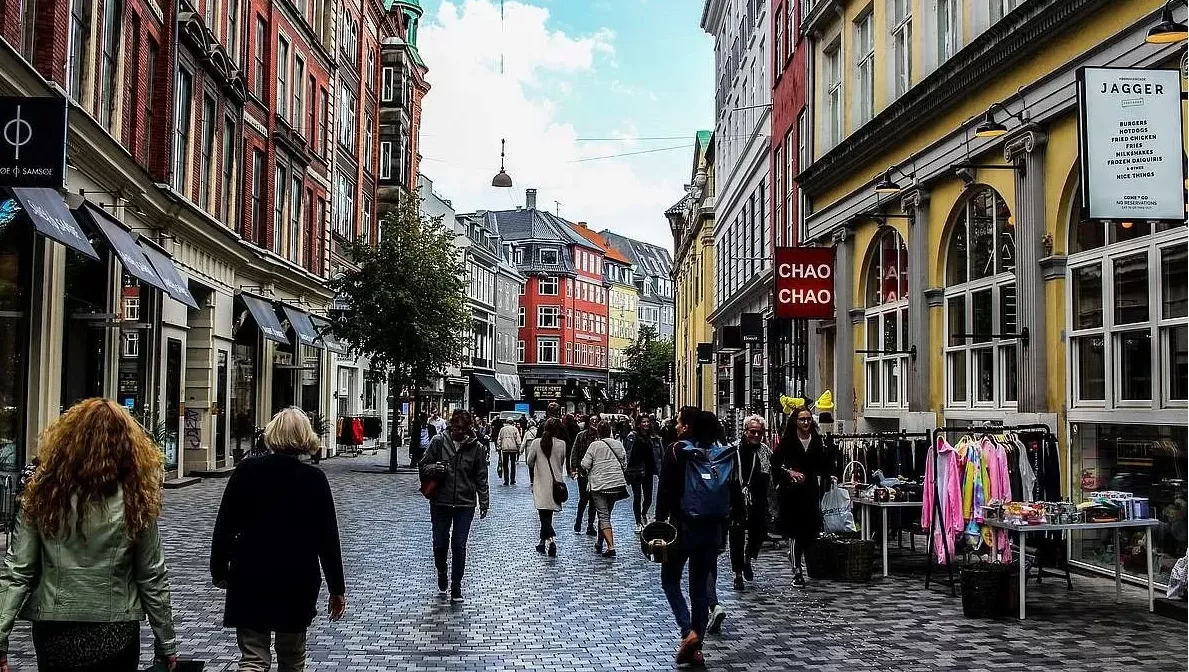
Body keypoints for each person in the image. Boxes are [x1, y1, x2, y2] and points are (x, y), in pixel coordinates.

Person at [0, 398, 177, 672]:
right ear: (127, 445)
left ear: (68, 440)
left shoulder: (42, 494)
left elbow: (17, 571)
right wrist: (166, 643)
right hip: (115, 628)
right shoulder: (136, 500)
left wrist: (1, 638)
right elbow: (152, 576)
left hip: (54, 629)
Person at [211, 407, 346, 672]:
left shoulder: (247, 470)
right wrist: (336, 588)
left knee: (253, 657)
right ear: (306, 438)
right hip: (296, 580)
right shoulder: (314, 479)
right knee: (292, 657)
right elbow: (327, 539)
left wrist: (219, 569)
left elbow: (225, 523)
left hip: (250, 574)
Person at [655, 407, 741, 668]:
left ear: (688, 427)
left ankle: (687, 631)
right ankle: (697, 648)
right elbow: (733, 491)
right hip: (711, 529)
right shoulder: (721, 455)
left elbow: (666, 490)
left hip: (683, 527)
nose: (677, 426)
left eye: (680, 422)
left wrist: (659, 523)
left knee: (670, 581)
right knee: (699, 589)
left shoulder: (676, 451)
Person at [420, 410, 490, 602]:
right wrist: (436, 468)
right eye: (456, 427)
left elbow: (481, 476)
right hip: (441, 501)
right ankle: (441, 569)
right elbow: (423, 465)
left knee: (459, 544)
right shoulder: (439, 442)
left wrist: (484, 501)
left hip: (465, 503)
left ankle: (456, 587)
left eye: (463, 428)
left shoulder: (476, 448)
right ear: (451, 425)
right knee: (440, 543)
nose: (459, 432)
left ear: (469, 428)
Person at [771, 407, 830, 587]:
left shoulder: (817, 441)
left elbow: (823, 463)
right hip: (792, 493)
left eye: (808, 419)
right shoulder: (788, 441)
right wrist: (789, 473)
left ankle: (795, 555)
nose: (805, 423)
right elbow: (776, 463)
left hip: (811, 491)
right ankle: (797, 571)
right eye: (802, 419)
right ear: (795, 421)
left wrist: (829, 475)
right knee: (796, 532)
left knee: (810, 531)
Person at [728, 415, 772, 591]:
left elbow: (774, 468)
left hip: (758, 499)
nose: (756, 435)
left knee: (759, 531)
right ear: (745, 431)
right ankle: (737, 573)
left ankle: (748, 557)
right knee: (736, 535)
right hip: (736, 499)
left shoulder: (765, 451)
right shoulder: (734, 450)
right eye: (752, 432)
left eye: (759, 432)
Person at [581, 422, 628, 557]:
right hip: (615, 484)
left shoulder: (594, 445)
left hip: (599, 485)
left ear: (598, 433)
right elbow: (624, 464)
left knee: (603, 515)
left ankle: (611, 546)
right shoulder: (618, 444)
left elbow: (585, 464)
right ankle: (600, 542)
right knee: (607, 515)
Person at [526, 418, 567, 557]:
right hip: (556, 485)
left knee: (543, 515)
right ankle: (541, 542)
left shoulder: (537, 443)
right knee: (548, 515)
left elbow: (529, 462)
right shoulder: (562, 444)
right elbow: (561, 462)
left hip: (541, 484)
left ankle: (550, 540)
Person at [626, 416, 663, 534]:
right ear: (639, 423)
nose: (646, 424)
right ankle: (638, 522)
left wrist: (661, 470)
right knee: (637, 497)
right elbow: (627, 453)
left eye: (647, 422)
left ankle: (643, 514)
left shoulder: (654, 437)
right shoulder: (632, 437)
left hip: (648, 470)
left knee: (648, 498)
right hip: (635, 471)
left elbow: (660, 455)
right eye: (643, 422)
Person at [567, 414, 600, 536]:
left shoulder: (600, 437)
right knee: (583, 498)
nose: (594, 423)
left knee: (594, 500)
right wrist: (573, 468)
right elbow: (574, 452)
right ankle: (578, 522)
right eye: (592, 420)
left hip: (596, 472)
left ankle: (590, 526)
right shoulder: (581, 436)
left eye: (596, 421)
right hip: (583, 471)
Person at [497, 418, 522, 486]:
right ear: (512, 422)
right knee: (513, 464)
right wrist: (519, 447)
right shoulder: (515, 429)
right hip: (513, 448)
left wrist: (499, 447)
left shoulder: (502, 429)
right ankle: (512, 479)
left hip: (504, 448)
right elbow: (518, 439)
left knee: (505, 464)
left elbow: (499, 439)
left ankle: (506, 480)